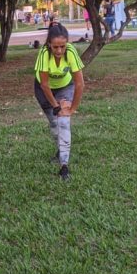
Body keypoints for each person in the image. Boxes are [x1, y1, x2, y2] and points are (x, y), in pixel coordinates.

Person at [33, 23, 84, 181]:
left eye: (62, 46)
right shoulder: (44, 53)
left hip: (65, 86)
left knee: (63, 122)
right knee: (54, 125)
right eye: (55, 47)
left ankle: (64, 165)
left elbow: (80, 83)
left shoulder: (70, 51)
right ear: (49, 44)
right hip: (44, 90)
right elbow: (44, 84)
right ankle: (59, 149)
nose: (59, 51)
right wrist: (55, 106)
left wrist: (72, 109)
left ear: (67, 43)